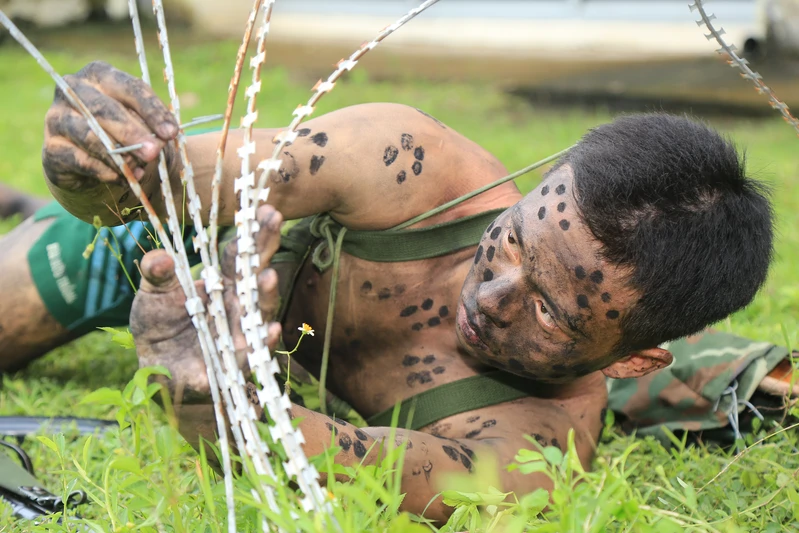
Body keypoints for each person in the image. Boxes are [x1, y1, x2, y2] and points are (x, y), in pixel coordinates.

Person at [2, 60, 796, 520]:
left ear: (634, 361)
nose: (493, 296)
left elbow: (272, 447)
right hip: (155, 251)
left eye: (550, 308)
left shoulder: (530, 451)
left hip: (209, 339)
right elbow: (152, 187)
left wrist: (204, 390)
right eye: (513, 237)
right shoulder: (405, 160)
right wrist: (87, 163)